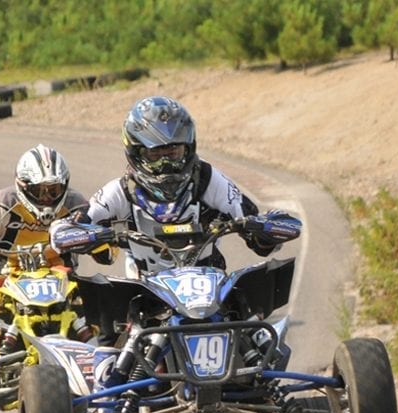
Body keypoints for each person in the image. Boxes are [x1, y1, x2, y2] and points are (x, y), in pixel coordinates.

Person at [51, 95, 289, 278]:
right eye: (156, 154)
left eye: (174, 152)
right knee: (106, 338)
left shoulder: (209, 179)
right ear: (135, 152)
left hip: (210, 283)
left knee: (261, 336)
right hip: (143, 291)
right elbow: (76, 222)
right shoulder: (120, 191)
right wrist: (68, 231)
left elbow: (251, 220)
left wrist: (266, 230)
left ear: (189, 148)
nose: (166, 164)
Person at [0, 143, 113, 358]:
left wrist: (101, 243)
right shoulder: (2, 204)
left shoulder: (78, 205)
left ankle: (102, 359)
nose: (46, 198)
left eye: (54, 191)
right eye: (38, 191)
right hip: (8, 278)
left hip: (64, 280)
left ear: (64, 186)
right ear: (23, 186)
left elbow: (107, 252)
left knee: (100, 295)